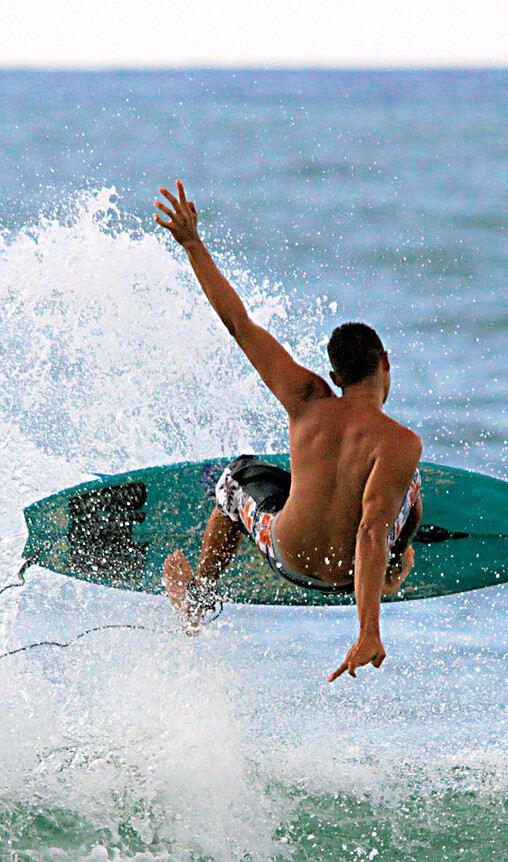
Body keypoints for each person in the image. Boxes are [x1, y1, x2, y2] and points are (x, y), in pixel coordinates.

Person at [154, 181, 423, 682]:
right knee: (406, 491)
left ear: (335, 377)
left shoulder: (306, 399)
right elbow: (370, 530)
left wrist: (192, 243)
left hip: (288, 554)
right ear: (386, 363)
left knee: (236, 479)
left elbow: (238, 324)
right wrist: (368, 630)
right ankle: (391, 573)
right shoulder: (400, 443)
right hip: (349, 576)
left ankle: (198, 600)